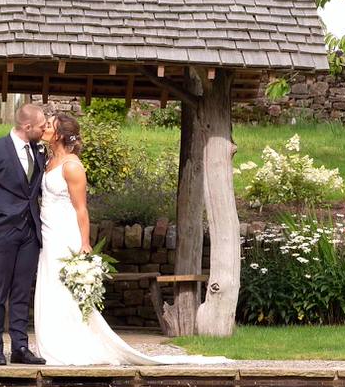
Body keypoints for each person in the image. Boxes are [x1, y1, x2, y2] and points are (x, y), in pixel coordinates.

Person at [33, 113, 230, 366]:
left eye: (49, 125)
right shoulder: (50, 160)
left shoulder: (71, 166)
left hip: (63, 234)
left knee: (65, 290)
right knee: (50, 286)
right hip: (48, 234)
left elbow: (81, 209)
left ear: (59, 134)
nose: (44, 127)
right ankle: (51, 342)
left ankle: (69, 345)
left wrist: (84, 243)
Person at [0, 103, 50, 366]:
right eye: (41, 126)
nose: (44, 129)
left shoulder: (39, 151)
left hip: (29, 232)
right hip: (1, 232)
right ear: (27, 127)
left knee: (22, 291)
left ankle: (20, 348)